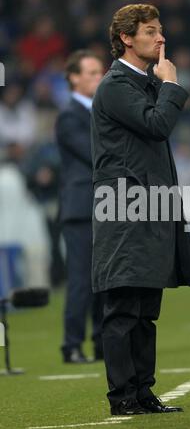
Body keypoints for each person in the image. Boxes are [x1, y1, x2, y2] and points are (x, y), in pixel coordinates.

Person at [91, 4, 190, 414]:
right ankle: (122, 396)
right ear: (126, 38)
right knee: (123, 305)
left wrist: (163, 86)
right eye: (151, 32)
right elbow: (157, 125)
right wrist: (171, 85)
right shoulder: (116, 85)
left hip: (149, 205)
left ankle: (142, 392)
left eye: (161, 31)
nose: (161, 39)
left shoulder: (142, 83)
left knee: (144, 309)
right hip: (123, 207)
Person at [56, 50, 104, 363]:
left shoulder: (100, 112)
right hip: (79, 207)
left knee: (105, 279)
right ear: (74, 77)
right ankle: (71, 345)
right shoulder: (69, 116)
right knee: (81, 280)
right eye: (91, 73)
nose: (98, 78)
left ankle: (103, 343)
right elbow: (93, 153)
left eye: (100, 72)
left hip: (104, 206)